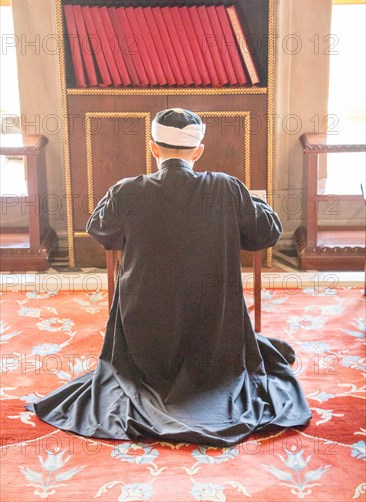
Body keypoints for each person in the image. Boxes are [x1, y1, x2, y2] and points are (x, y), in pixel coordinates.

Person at [26, 108, 312, 447]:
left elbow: (101, 231)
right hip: (213, 323)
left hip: (145, 326)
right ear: (199, 151)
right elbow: (266, 233)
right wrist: (246, 198)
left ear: (153, 148)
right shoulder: (226, 188)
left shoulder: (127, 190)